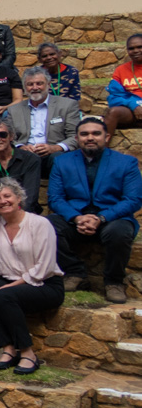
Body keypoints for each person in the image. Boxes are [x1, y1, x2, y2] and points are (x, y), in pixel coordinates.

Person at [47, 116, 142, 303]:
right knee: (47, 225)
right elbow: (55, 198)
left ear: (106, 137)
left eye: (96, 133)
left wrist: (101, 217)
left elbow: (133, 200)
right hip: (75, 219)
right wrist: (76, 218)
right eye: (84, 134)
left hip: (112, 218)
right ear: (77, 138)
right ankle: (75, 273)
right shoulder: (62, 162)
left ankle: (113, 282)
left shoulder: (126, 163)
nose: (90, 137)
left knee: (120, 232)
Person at [0, 178, 65, 375]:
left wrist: (13, 285)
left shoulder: (40, 224)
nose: (3, 201)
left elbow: (45, 266)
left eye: (7, 196)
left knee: (4, 295)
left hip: (45, 283)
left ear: (18, 198)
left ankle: (27, 352)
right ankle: (8, 348)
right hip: (8, 279)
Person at [8, 68, 80, 179]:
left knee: (58, 158)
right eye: (30, 84)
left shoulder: (67, 105)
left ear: (48, 84)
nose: (35, 88)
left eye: (39, 83)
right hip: (25, 155)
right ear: (24, 87)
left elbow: (75, 136)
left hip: (53, 155)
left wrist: (55, 147)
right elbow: (10, 137)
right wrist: (21, 146)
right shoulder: (14, 109)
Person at [104, 33, 142, 134]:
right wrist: (133, 105)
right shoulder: (121, 70)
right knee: (113, 112)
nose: (135, 51)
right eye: (131, 48)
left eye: (139, 47)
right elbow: (114, 98)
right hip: (132, 111)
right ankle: (103, 149)